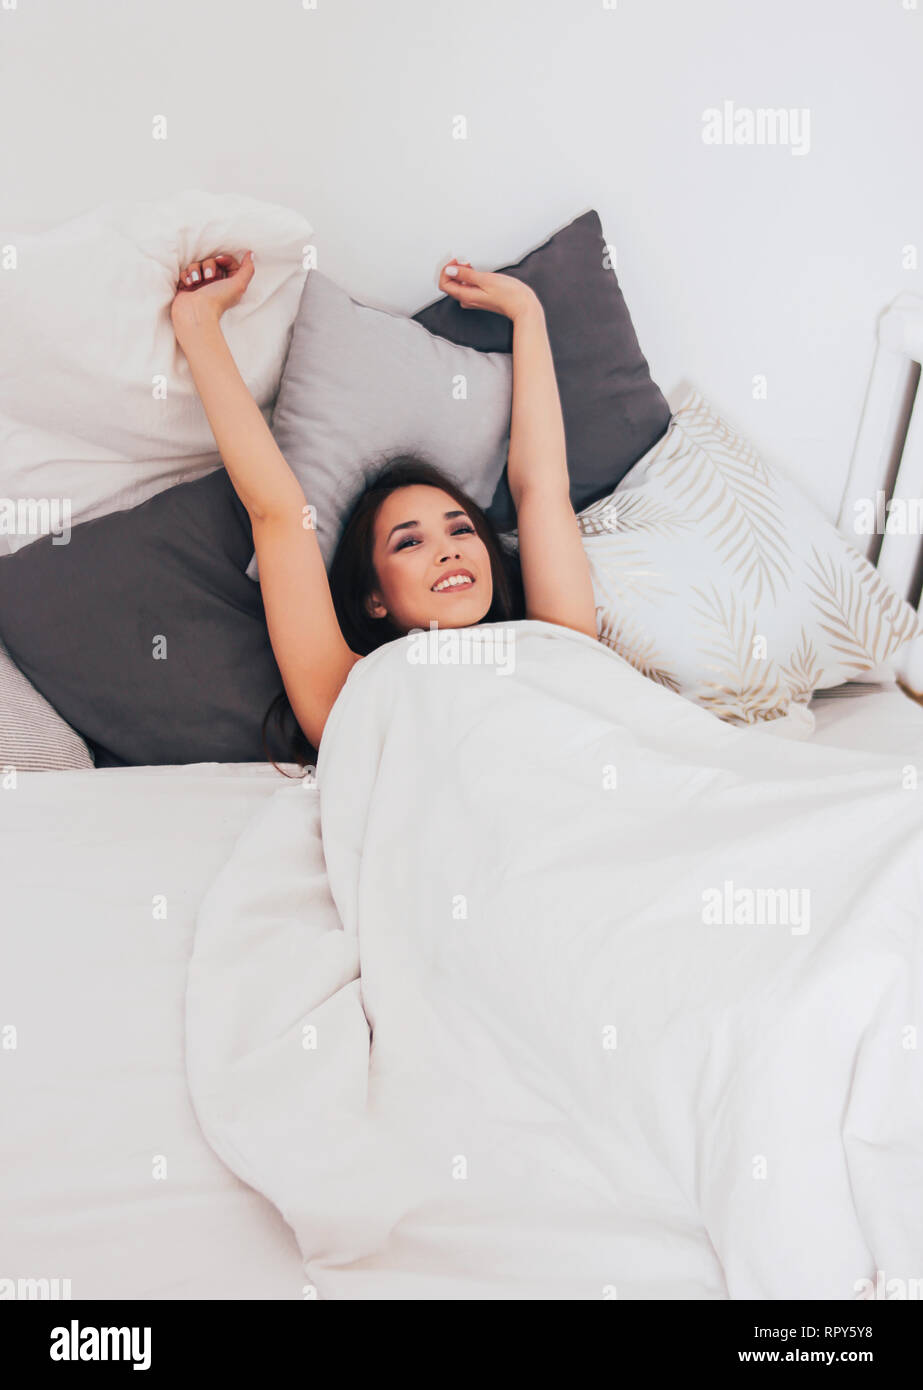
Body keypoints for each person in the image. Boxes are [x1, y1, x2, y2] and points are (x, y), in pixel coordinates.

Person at [170, 251, 597, 766]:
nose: (449, 552)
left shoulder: (555, 642)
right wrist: (197, 324)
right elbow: (277, 512)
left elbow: (541, 488)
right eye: (410, 541)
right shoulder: (352, 691)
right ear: (375, 599)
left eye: (461, 531)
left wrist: (527, 314)